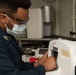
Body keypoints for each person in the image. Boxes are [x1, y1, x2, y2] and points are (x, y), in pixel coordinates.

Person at [0, 0, 57, 75]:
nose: (24, 25)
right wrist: (44, 67)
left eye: (26, 20)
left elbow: (18, 66)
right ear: (3, 18)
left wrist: (36, 64)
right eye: (20, 21)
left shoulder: (8, 35)